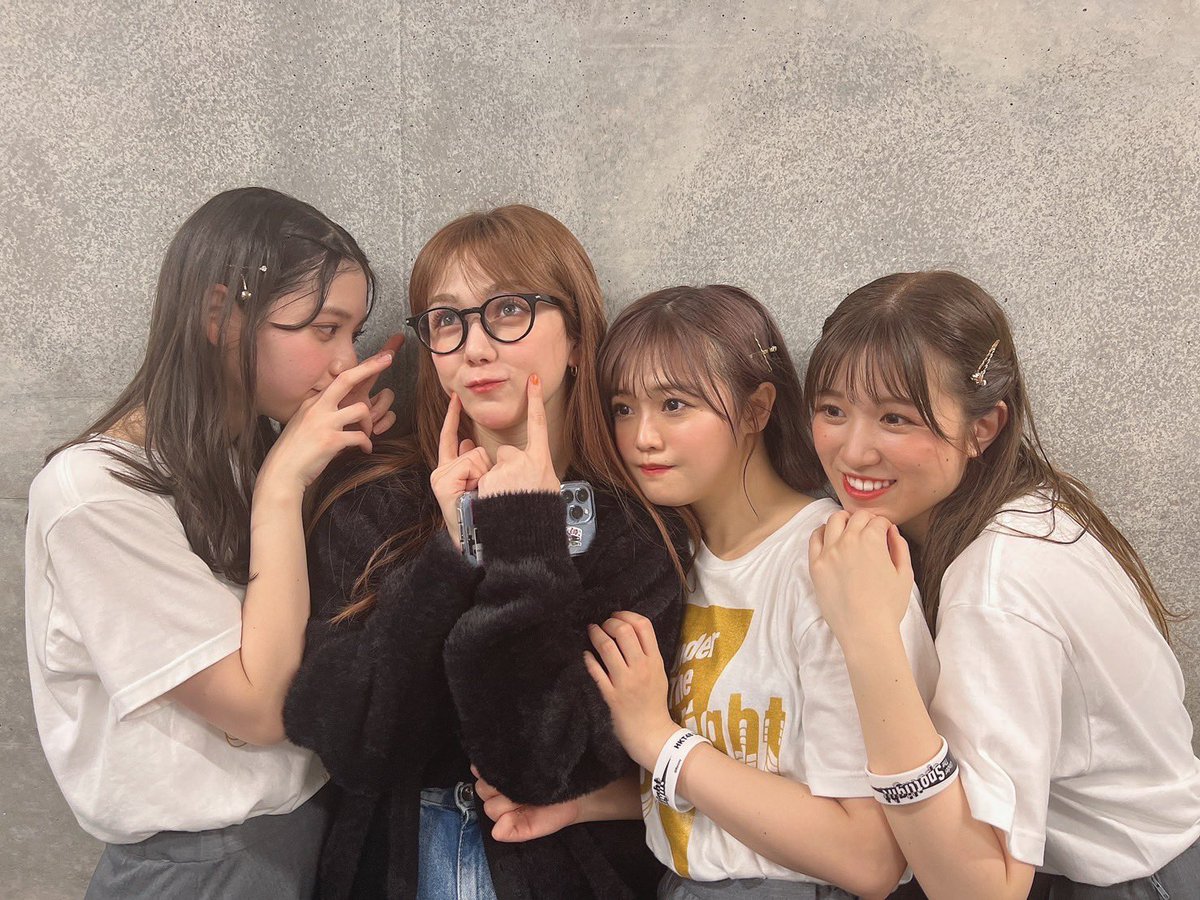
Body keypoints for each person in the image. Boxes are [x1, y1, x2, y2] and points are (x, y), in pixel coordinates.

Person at [282, 204, 692, 900]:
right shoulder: (372, 500)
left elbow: (539, 766)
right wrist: (451, 554)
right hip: (397, 861)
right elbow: (349, 745)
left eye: (508, 310)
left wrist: (525, 536)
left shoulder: (638, 532)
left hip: (559, 868)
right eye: (448, 320)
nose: (474, 348)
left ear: (577, 339)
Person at [477, 285, 940, 899]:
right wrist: (587, 803)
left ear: (756, 410)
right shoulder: (670, 560)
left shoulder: (835, 563)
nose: (642, 436)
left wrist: (659, 741)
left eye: (674, 405)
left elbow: (870, 857)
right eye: (623, 408)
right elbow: (745, 782)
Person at [25, 186, 400, 898]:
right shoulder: (93, 495)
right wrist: (284, 484)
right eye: (323, 329)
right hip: (205, 865)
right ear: (221, 315)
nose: (345, 362)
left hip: (302, 834)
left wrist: (321, 470)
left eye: (352, 333)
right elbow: (259, 708)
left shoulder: (244, 451)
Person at [804, 270, 1200, 899]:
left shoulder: (998, 583)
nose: (853, 451)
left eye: (896, 418)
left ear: (982, 428)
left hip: (1135, 882)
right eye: (832, 410)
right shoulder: (1023, 508)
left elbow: (980, 892)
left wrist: (866, 636)